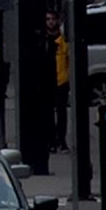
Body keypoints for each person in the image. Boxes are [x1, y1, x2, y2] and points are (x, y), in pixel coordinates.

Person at [45, 9, 70, 154]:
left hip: (61, 81)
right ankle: (51, 141)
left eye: (53, 19)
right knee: (48, 112)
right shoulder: (45, 39)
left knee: (61, 113)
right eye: (48, 19)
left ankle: (61, 140)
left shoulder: (63, 41)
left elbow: (68, 60)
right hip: (47, 82)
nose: (50, 22)